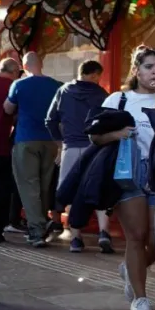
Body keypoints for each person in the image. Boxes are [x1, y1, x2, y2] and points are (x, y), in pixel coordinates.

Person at [90, 47, 155, 310]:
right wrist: (117, 133)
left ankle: (130, 270)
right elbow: (94, 137)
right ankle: (140, 300)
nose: (154, 71)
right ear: (136, 70)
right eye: (148, 66)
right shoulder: (119, 99)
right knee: (136, 236)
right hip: (128, 171)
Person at [46, 59, 113, 253]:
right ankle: (104, 233)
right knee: (99, 189)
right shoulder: (101, 94)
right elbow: (110, 119)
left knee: (71, 192)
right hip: (96, 147)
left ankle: (76, 239)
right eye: (98, 77)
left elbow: (50, 120)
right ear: (94, 75)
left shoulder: (63, 91)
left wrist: (60, 143)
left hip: (71, 147)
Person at [3, 52, 61, 247]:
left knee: (29, 185)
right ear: (41, 64)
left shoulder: (19, 85)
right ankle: (41, 225)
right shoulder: (57, 86)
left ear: (25, 67)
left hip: (26, 140)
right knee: (45, 185)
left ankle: (36, 231)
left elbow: (8, 108)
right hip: (50, 140)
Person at [0, 58, 20, 245]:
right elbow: (15, 116)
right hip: (0, 145)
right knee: (2, 188)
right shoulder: (15, 87)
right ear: (15, 71)